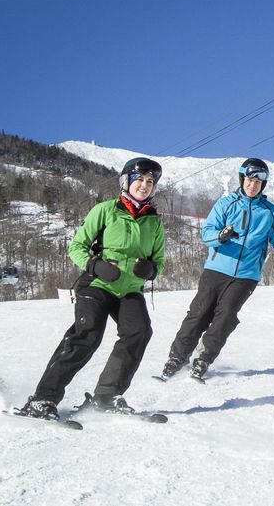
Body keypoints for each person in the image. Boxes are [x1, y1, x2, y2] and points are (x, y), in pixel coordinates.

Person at [18, 157, 166, 419]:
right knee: (88, 334)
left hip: (129, 289)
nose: (144, 185)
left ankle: (107, 396)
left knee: (139, 332)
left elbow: (160, 261)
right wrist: (95, 266)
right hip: (97, 284)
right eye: (139, 180)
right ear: (126, 181)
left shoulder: (154, 222)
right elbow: (76, 247)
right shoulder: (105, 210)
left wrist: (151, 270)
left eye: (149, 182)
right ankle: (42, 399)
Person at [160, 158, 274, 381]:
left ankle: (204, 358)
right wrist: (221, 236)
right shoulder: (226, 204)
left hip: (247, 274)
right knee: (199, 313)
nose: (253, 185)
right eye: (249, 180)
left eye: (258, 182)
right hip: (217, 268)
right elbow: (207, 233)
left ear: (263, 184)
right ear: (242, 180)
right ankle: (177, 357)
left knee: (226, 315)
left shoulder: (270, 212)